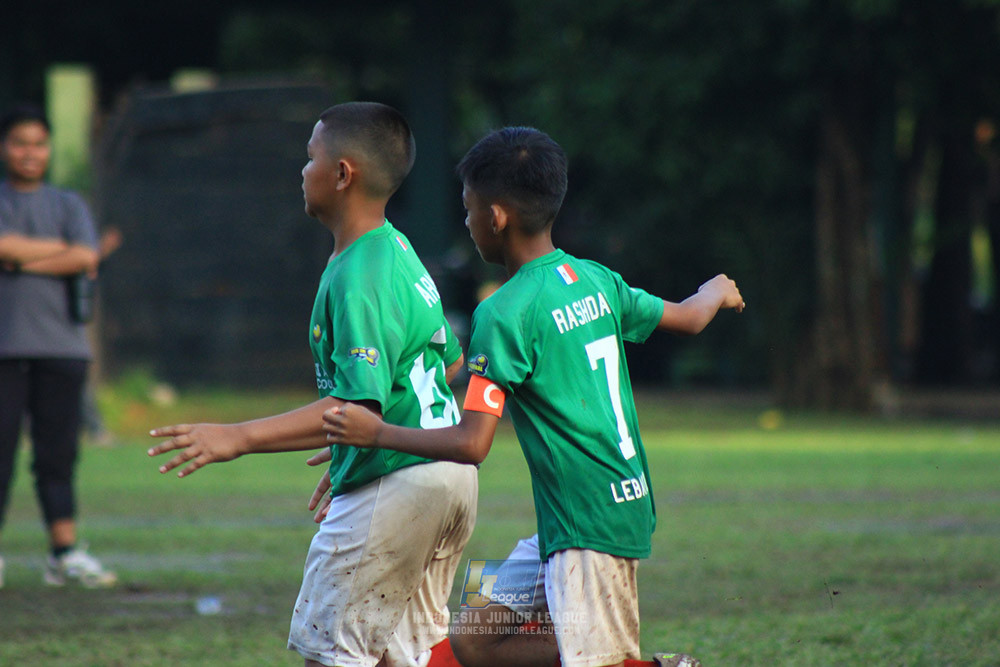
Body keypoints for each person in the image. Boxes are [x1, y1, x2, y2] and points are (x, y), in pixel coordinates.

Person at [318, 127, 745, 667]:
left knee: (598, 662)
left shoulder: (503, 312)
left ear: (496, 217)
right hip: (579, 516)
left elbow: (474, 443)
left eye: (469, 210)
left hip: (588, 525)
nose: (468, 223)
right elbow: (687, 316)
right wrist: (714, 290)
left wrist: (377, 434)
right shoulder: (593, 279)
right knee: (473, 638)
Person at [147, 102, 477, 667]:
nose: (302, 171)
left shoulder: (358, 275)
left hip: (399, 484)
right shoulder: (397, 250)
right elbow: (449, 361)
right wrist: (361, 442)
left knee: (333, 654)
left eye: (310, 158)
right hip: (447, 480)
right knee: (410, 655)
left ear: (342, 174)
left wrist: (238, 437)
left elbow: (355, 399)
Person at [0, 103, 118, 589]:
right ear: (5, 147)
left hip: (63, 349)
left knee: (57, 455)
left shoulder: (68, 203)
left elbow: (87, 256)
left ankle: (64, 552)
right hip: (5, 350)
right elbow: (70, 254)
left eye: (39, 143)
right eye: (20, 142)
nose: (31, 152)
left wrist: (19, 260)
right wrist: (59, 253)